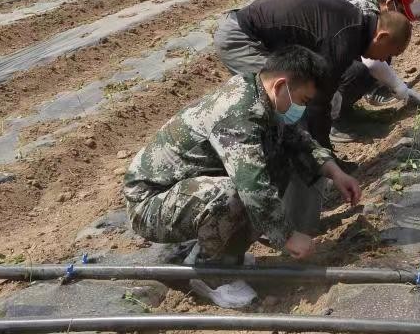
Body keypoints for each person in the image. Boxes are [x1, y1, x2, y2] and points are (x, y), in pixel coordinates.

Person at [123, 46, 362, 307]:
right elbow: (252, 184)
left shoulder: (262, 97)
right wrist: (287, 235)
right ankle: (211, 274)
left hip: (184, 191)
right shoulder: (238, 111)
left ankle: (226, 255)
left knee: (278, 160)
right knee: (233, 192)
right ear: (281, 85)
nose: (302, 110)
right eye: (303, 101)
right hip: (150, 201)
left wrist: (334, 172)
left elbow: (298, 141)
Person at [213, 0, 419, 132]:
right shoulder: (344, 39)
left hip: (268, 37)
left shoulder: (357, 27)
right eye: (390, 52)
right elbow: (319, 103)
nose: (385, 59)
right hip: (243, 37)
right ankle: (283, 164)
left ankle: (314, 146)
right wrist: (328, 159)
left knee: (344, 80)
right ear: (381, 37)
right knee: (285, 99)